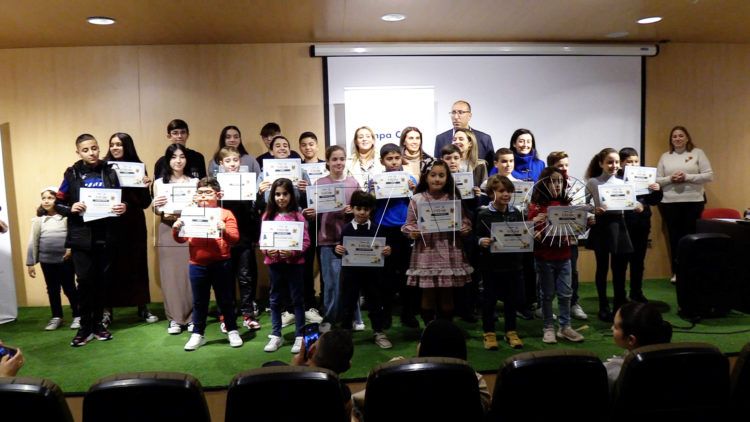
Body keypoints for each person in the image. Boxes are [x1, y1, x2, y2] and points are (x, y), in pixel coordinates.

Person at [55, 134, 127, 347]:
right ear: (78, 152)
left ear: (99, 148)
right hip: (81, 237)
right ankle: (84, 327)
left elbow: (120, 199)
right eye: (85, 150)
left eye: (94, 148)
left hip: (106, 236)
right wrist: (71, 208)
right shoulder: (72, 173)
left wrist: (123, 207)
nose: (91, 153)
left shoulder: (110, 171)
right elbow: (57, 203)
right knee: (85, 281)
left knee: (101, 282)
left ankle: (98, 325)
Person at [351, 319, 491, 418]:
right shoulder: (473, 379)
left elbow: (358, 400)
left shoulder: (394, 372)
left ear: (424, 347)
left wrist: (394, 367)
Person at [172, 177, 242, 351]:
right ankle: (198, 334)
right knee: (199, 302)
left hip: (221, 263)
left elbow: (235, 238)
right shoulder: (189, 213)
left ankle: (232, 330)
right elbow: (181, 239)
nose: (203, 196)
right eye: (200, 192)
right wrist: (176, 228)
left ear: (218, 195)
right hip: (197, 264)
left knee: (225, 300)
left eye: (208, 192)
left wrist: (224, 229)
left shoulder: (226, 214)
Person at [401, 160, 473, 322]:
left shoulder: (453, 198)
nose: (437, 179)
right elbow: (408, 224)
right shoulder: (417, 199)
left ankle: (446, 329)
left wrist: (464, 228)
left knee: (447, 292)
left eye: (441, 175)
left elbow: (464, 221)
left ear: (447, 178)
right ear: (426, 177)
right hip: (426, 250)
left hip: (449, 249)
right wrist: (413, 232)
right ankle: (429, 329)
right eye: (433, 175)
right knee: (428, 292)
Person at [303, 146, 361, 332]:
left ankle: (354, 318)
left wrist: (353, 211)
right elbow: (314, 213)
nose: (338, 162)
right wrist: (310, 214)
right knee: (330, 283)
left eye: (342, 159)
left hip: (350, 240)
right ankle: (329, 318)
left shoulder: (353, 183)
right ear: (327, 161)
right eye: (334, 159)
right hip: (327, 240)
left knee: (352, 282)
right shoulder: (319, 183)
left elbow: (362, 208)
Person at [103, 132, 157, 326]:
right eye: (112, 144)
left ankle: (142, 307)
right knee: (109, 267)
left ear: (127, 146)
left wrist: (146, 186)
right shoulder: (103, 167)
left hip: (133, 224)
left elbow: (145, 203)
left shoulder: (138, 167)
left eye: (119, 144)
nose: (115, 148)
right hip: (110, 224)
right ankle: (107, 310)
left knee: (137, 265)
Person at [528, 167, 584, 344]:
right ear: (544, 183)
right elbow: (530, 230)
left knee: (566, 293)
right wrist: (535, 224)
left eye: (560, 181)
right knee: (547, 294)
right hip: (544, 257)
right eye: (553, 181)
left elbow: (575, 229)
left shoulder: (567, 205)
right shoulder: (536, 207)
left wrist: (586, 223)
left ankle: (565, 327)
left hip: (565, 256)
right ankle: (548, 327)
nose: (557, 185)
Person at [585, 148, 642, 322]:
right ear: (601, 163)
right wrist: (593, 210)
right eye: (609, 162)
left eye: (616, 162)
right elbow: (582, 203)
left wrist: (638, 205)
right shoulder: (593, 182)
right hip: (602, 226)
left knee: (619, 270)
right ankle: (603, 306)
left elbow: (633, 201)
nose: (614, 165)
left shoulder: (624, 181)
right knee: (602, 268)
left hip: (619, 225)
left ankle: (619, 307)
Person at [656, 126, 713, 283]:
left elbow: (709, 176)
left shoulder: (698, 153)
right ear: (671, 139)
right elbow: (657, 180)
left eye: (681, 135)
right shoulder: (665, 156)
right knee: (674, 238)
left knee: (692, 237)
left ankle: (692, 272)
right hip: (669, 203)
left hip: (694, 202)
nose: (678, 138)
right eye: (674, 136)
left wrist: (687, 177)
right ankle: (677, 272)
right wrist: (670, 179)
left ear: (687, 138)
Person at [371, 143, 419, 329]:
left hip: (405, 230)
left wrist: (413, 190)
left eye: (397, 158)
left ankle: (408, 313)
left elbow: (418, 201)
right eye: (389, 159)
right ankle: (386, 314)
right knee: (386, 275)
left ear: (402, 159)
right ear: (382, 161)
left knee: (407, 272)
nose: (393, 162)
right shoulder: (376, 180)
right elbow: (370, 203)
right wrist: (372, 191)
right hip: (384, 229)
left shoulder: (409, 178)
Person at [337, 190, 393, 348]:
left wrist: (387, 250)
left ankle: (378, 331)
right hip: (350, 273)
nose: (362, 212)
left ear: (371, 210)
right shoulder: (346, 229)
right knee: (348, 302)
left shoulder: (378, 228)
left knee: (375, 302)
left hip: (372, 274)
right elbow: (341, 250)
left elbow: (385, 249)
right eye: (358, 208)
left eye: (366, 209)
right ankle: (346, 333)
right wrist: (338, 250)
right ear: (352, 208)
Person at [475, 175, 525, 350]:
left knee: (511, 299)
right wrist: (481, 241)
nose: (506, 194)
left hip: (513, 265)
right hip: (491, 266)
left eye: (509, 191)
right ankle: (489, 332)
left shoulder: (516, 212)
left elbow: (522, 233)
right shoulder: (484, 214)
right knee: (489, 300)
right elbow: (476, 236)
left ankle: (511, 331)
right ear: (491, 193)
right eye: (502, 191)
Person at [262, 178, 311, 353]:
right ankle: (276, 334)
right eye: (277, 194)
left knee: (297, 300)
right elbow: (263, 241)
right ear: (272, 196)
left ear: (291, 195)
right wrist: (268, 251)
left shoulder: (298, 216)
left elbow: (306, 242)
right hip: (275, 265)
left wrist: (292, 252)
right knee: (275, 300)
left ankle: (299, 336)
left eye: (285, 194)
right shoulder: (267, 216)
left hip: (295, 265)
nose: (281, 198)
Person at [152, 144, 197, 335]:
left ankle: (193, 318)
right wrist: (155, 205)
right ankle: (174, 319)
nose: (178, 161)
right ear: (167, 160)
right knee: (170, 275)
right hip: (167, 230)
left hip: (189, 229)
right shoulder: (159, 183)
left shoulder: (195, 182)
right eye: (173, 157)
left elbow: (201, 207)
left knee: (190, 274)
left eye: (182, 156)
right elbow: (157, 210)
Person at [216, 146, 261, 331]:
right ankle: (226, 316)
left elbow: (254, 209)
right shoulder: (217, 184)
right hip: (224, 236)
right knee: (225, 278)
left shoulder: (247, 181)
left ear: (240, 161)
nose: (232, 164)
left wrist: (257, 194)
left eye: (235, 160)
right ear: (221, 163)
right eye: (228, 161)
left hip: (244, 236)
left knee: (245, 277)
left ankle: (248, 315)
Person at [26, 187, 80, 331]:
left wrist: (70, 249)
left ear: (58, 201)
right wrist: (30, 263)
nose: (46, 201)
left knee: (69, 288)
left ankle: (78, 315)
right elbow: (33, 241)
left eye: (50, 198)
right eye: (44, 198)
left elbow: (72, 236)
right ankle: (57, 316)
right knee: (52, 289)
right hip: (47, 261)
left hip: (65, 260)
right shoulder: (39, 220)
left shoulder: (66, 218)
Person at [619, 148, 663, 303]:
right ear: (621, 163)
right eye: (629, 161)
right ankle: (620, 295)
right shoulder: (616, 179)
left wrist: (657, 190)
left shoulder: (646, 178)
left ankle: (636, 292)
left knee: (638, 261)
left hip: (641, 224)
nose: (633, 164)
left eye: (636, 161)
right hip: (623, 225)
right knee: (621, 262)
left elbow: (654, 201)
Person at [548, 151, 588, 321]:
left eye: (566, 165)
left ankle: (573, 304)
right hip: (548, 240)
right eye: (559, 166)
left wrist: (587, 218)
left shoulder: (576, 186)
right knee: (546, 274)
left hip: (570, 238)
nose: (564, 168)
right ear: (551, 168)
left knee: (572, 272)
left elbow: (581, 210)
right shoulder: (544, 186)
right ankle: (545, 307)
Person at [604, 302, 673, 390]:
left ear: (631, 339)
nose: (612, 328)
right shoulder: (674, 364)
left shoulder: (613, 373)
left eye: (615, 326)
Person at [298, 132, 325, 321]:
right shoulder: (296, 169)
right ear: (300, 147)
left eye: (311, 144)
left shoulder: (326, 166)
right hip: (306, 223)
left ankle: (325, 301)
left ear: (317, 145)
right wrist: (301, 191)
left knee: (324, 264)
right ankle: (309, 303)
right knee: (306, 265)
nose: (308, 147)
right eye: (304, 145)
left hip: (324, 221)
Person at [434, 100, 494, 164]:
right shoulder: (441, 138)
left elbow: (492, 166)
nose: (456, 117)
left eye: (460, 112)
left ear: (469, 116)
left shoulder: (484, 139)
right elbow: (437, 165)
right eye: (453, 112)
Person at [345, 126, 384, 190]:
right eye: (360, 137)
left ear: (373, 140)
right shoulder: (347, 162)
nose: (364, 139)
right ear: (356, 141)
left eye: (368, 136)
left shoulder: (382, 160)